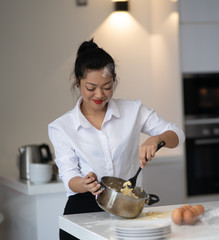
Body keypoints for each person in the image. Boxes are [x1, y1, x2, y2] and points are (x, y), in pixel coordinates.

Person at [48, 39, 185, 240]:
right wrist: (85, 183)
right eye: (91, 87)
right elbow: (69, 179)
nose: (99, 95)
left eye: (107, 87)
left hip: (128, 208)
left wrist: (157, 139)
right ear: (78, 82)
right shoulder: (62, 127)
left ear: (114, 80)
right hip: (83, 210)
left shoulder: (133, 111)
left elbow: (177, 135)